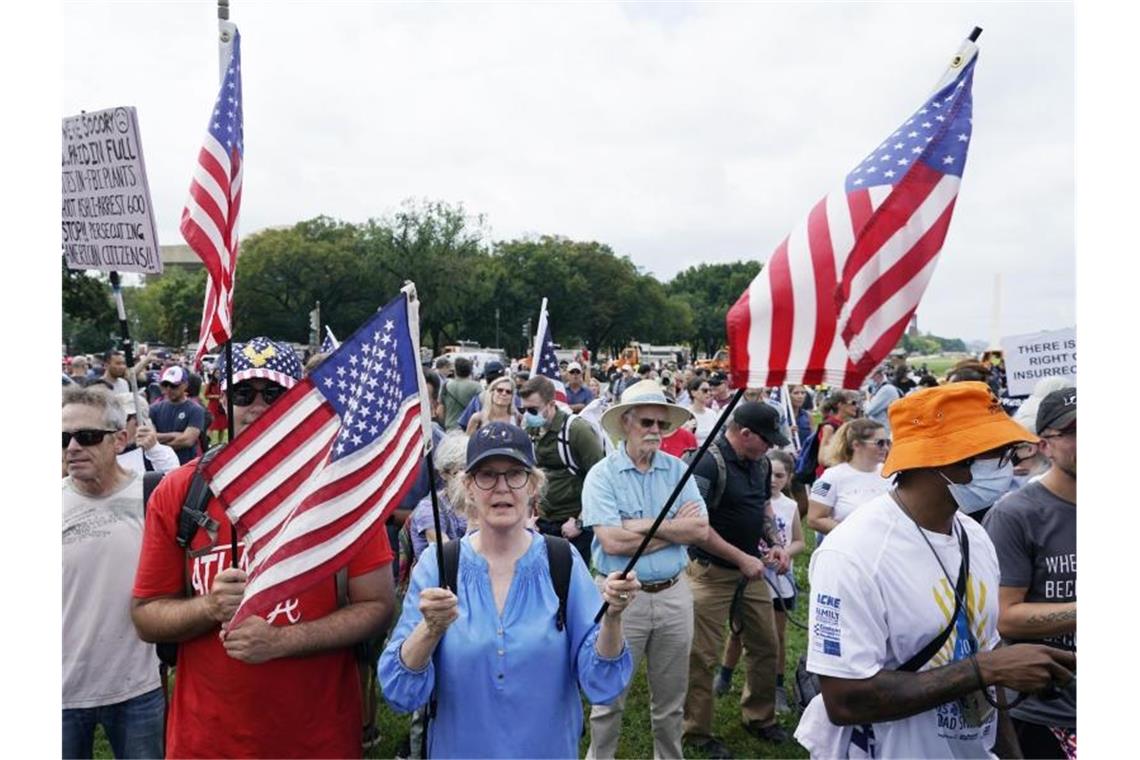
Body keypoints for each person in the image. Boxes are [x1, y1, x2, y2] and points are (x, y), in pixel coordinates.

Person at [131, 336, 395, 758]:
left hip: (317, 741)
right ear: (221, 401)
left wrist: (282, 642)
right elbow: (146, 616)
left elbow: (378, 606)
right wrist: (208, 608)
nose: (257, 406)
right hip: (207, 743)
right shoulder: (180, 492)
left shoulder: (340, 489)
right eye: (243, 392)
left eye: (274, 393)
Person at [795, 382, 1075, 759]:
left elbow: (989, 665)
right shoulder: (854, 553)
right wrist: (983, 670)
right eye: (997, 453)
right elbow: (846, 700)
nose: (1009, 465)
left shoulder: (974, 535)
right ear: (943, 461)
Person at [379, 422, 638, 758]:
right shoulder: (439, 565)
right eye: (487, 475)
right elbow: (401, 692)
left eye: (515, 473)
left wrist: (613, 619)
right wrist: (428, 631)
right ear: (468, 486)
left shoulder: (562, 561)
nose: (502, 487)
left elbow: (600, 681)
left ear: (533, 485)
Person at [581, 379, 710, 760]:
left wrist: (635, 523)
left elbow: (700, 529)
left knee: (671, 701)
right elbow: (612, 543)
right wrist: (672, 529)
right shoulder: (601, 475)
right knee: (608, 699)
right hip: (621, 598)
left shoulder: (677, 470)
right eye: (647, 423)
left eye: (661, 424)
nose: (655, 431)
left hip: (674, 593)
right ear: (626, 423)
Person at [683, 402, 793, 756]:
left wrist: (776, 543)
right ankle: (696, 730)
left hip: (751, 572)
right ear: (745, 434)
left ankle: (760, 717)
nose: (770, 448)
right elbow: (694, 527)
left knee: (766, 645)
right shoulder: (706, 462)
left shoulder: (759, 463)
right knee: (701, 656)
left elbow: (763, 508)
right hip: (709, 573)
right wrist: (741, 557)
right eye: (766, 440)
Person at [63, 385, 166, 759]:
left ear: (119, 439)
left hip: (137, 689)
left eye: (87, 436)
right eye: (63, 438)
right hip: (60, 694)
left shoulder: (156, 496)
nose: (72, 448)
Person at [983, 388, 1077, 758]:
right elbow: (1005, 617)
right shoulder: (1016, 515)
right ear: (1044, 445)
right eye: (1073, 431)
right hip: (1046, 709)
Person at [715, 450, 806, 714]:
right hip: (751, 577)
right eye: (770, 474)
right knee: (738, 630)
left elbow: (799, 540)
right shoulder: (751, 502)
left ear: (788, 477)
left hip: (780, 581)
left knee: (775, 636)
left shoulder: (790, 507)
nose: (773, 480)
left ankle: (775, 687)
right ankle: (725, 675)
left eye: (780, 475)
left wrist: (783, 553)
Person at [521, 374, 605, 563]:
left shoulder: (576, 431)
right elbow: (527, 476)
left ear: (551, 404)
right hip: (541, 521)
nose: (528, 415)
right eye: (524, 409)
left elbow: (600, 479)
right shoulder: (531, 432)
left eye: (533, 410)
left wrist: (581, 522)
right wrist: (527, 518)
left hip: (572, 523)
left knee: (571, 582)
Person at [806, 419, 892, 538]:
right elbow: (814, 519)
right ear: (856, 445)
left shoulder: (891, 473)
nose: (886, 448)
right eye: (880, 443)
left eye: (888, 443)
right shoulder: (831, 477)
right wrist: (853, 534)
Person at [148, 366, 206, 465]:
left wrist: (158, 444)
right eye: (165, 385)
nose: (169, 389)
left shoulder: (195, 410)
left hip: (184, 464)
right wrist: (175, 435)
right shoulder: (154, 409)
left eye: (174, 385)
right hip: (159, 464)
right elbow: (150, 437)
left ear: (185, 385)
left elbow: (188, 440)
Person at [115, 392, 179, 474]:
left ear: (138, 423)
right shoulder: (104, 451)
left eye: (121, 420)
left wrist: (153, 449)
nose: (115, 428)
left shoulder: (162, 454)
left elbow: (171, 480)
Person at [440, 356, 481, 430]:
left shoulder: (446, 385)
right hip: (471, 428)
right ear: (470, 370)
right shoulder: (477, 387)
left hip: (451, 428)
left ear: (455, 370)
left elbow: (440, 410)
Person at [687, 377, 720, 445]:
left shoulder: (712, 413)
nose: (708, 393)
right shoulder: (686, 414)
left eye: (709, 390)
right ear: (693, 393)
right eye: (704, 390)